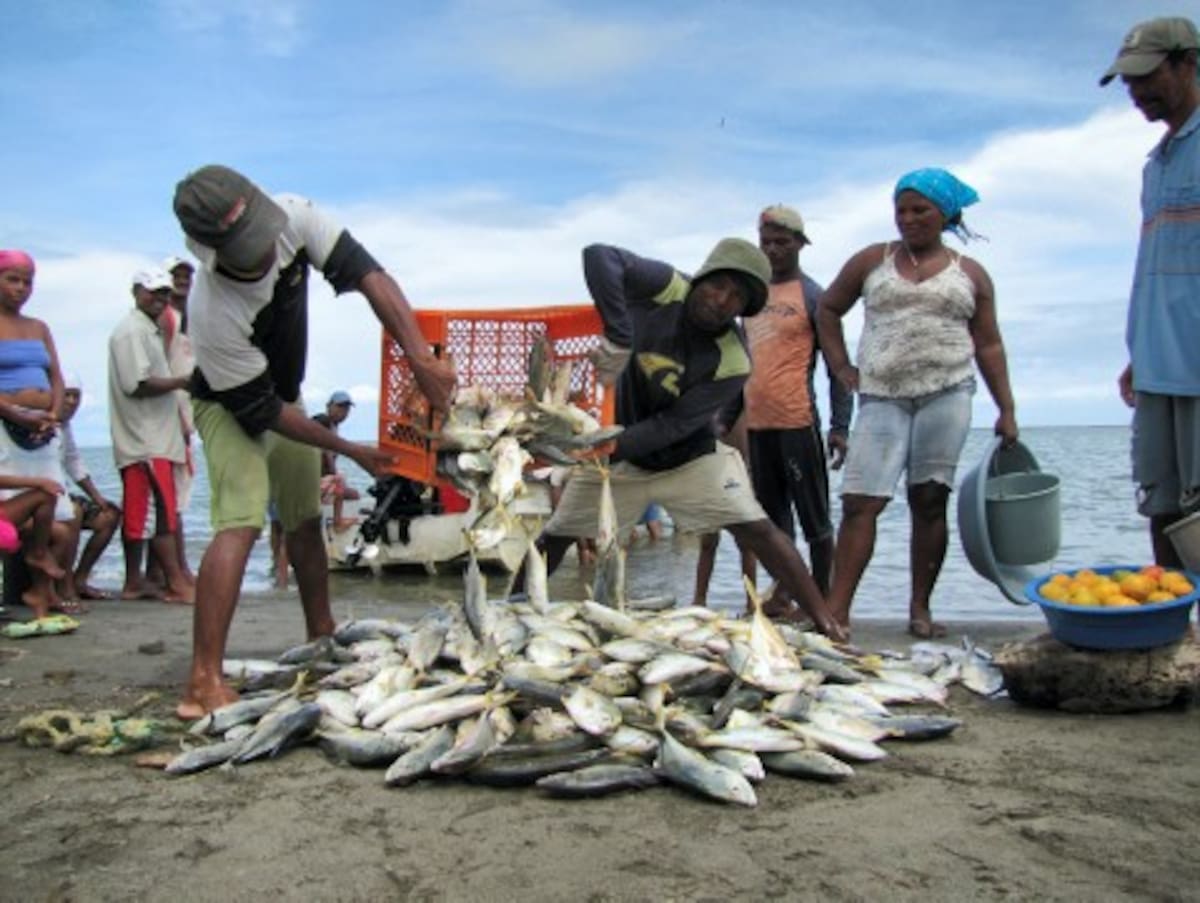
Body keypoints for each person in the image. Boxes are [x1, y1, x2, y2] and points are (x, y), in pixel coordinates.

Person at [171, 164, 456, 718]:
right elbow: (263, 412)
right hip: (230, 403)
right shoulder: (211, 312)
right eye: (243, 248)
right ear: (210, 251)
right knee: (241, 521)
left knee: (304, 519)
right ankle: (202, 679)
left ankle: (321, 631)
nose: (260, 252)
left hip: (284, 394)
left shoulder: (295, 218)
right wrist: (348, 451)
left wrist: (420, 358)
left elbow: (371, 276)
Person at [528, 238, 844, 639]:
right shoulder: (667, 286)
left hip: (690, 460)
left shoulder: (733, 359)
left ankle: (827, 622)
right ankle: (511, 609)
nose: (720, 300)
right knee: (556, 535)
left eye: (735, 298)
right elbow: (598, 256)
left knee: (758, 529)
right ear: (703, 277)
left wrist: (610, 444)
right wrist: (620, 334)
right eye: (718, 285)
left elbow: (675, 425)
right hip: (617, 460)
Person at [816, 168, 1018, 639]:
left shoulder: (969, 273)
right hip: (882, 397)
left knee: (929, 500)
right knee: (860, 501)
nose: (908, 219)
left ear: (944, 214)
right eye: (901, 210)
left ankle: (919, 609)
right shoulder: (873, 260)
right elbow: (827, 309)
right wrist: (842, 366)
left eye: (920, 210)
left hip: (947, 394)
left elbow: (988, 344)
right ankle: (836, 612)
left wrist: (1006, 409)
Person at [1101, 16, 1200, 568]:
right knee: (1160, 503)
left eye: (1147, 77)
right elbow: (1155, 267)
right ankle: (1172, 635)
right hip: (1158, 363)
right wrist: (1139, 352)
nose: (1137, 93)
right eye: (1129, 83)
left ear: (1187, 64)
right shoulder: (1156, 166)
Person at [745, 204, 852, 594]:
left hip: (797, 423)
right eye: (766, 242)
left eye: (781, 242)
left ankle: (825, 599)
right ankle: (785, 595)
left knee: (816, 523)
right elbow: (742, 363)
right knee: (773, 524)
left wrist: (840, 427)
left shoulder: (814, 296)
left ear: (800, 244)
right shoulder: (751, 295)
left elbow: (838, 368)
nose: (772, 250)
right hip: (756, 428)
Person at [107, 269, 195, 604]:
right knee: (156, 513)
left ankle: (142, 580)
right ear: (136, 291)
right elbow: (138, 383)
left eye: (164, 295)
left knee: (151, 512)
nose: (159, 300)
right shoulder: (132, 331)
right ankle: (164, 581)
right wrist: (180, 381)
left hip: (157, 437)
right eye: (153, 293)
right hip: (145, 440)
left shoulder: (150, 329)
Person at [0, 249, 74, 615]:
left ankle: (43, 589)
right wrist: (14, 412)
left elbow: (56, 376)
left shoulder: (39, 327)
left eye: (27, 281)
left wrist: (55, 414)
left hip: (43, 428)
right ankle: (22, 585)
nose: (20, 288)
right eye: (12, 279)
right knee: (19, 502)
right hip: (6, 425)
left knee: (55, 506)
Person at [58, 372, 121, 601]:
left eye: (76, 396)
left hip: (59, 496)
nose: (72, 402)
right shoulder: (39, 423)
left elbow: (74, 463)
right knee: (72, 512)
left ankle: (79, 579)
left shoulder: (65, 427)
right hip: (39, 497)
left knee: (109, 514)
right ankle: (64, 586)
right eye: (67, 395)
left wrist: (97, 497)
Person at [313, 390, 362, 529]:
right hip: (314, 480)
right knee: (343, 484)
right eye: (340, 407)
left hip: (319, 480)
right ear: (329, 406)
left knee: (351, 493)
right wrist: (335, 477)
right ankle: (337, 522)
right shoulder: (324, 422)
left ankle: (335, 519)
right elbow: (326, 454)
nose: (343, 412)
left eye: (346, 409)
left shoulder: (334, 427)